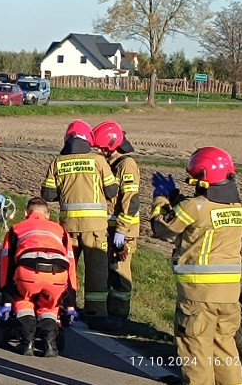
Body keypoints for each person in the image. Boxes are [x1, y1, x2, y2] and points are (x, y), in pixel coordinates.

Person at [151, 147, 242, 385]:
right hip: (229, 294)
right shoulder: (236, 208)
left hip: (198, 294)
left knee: (195, 349)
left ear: (203, 179)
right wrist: (179, 199)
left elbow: (162, 228)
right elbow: (201, 215)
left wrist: (161, 199)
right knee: (225, 350)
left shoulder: (193, 207)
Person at [40, 119, 118, 330]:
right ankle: (96, 313)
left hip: (68, 228)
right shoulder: (98, 161)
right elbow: (112, 191)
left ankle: (66, 308)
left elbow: (47, 194)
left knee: (67, 270)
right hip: (95, 228)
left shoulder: (57, 162)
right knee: (97, 270)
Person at [0, 197, 77, 357]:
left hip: (28, 273)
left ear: (27, 213)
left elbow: (6, 264)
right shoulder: (61, 231)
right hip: (57, 274)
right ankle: (50, 344)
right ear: (47, 214)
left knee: (23, 300)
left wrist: (6, 299)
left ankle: (27, 343)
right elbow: (71, 265)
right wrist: (70, 303)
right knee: (49, 306)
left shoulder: (16, 229)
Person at [92, 121, 140, 331]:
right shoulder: (111, 163)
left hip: (123, 231)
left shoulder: (126, 165)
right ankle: (108, 313)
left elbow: (131, 201)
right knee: (109, 272)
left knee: (120, 275)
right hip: (110, 230)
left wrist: (121, 230)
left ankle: (120, 317)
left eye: (103, 148)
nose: (101, 152)